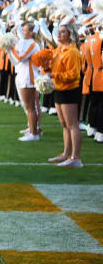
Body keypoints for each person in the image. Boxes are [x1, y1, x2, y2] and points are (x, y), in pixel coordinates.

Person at [47, 24, 84, 168]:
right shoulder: (58, 50)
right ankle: (66, 153)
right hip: (59, 88)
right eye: (59, 32)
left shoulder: (72, 52)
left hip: (69, 89)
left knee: (72, 124)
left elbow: (73, 75)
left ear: (70, 34)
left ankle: (76, 158)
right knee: (64, 124)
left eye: (63, 32)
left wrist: (53, 75)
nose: (59, 34)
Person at [8, 21, 41, 141]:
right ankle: (32, 130)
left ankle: (34, 133)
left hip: (29, 77)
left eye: (25, 30)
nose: (22, 31)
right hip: (23, 75)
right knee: (28, 106)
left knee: (30, 107)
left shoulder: (33, 44)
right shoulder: (24, 42)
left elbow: (21, 58)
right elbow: (15, 60)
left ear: (31, 32)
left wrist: (10, 47)